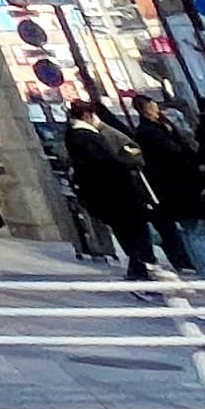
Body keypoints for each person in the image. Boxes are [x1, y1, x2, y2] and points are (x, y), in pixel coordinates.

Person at [129, 94, 205, 277]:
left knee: (194, 230)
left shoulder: (151, 130)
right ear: (146, 108)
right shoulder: (152, 132)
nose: (157, 109)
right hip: (180, 187)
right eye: (153, 106)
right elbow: (176, 154)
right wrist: (195, 166)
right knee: (197, 230)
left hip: (175, 188)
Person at [59, 100, 157, 280]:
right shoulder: (84, 136)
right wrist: (127, 161)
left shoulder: (80, 135)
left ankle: (140, 266)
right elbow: (105, 162)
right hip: (115, 193)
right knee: (133, 229)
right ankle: (140, 268)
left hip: (111, 193)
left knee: (129, 229)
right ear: (87, 116)